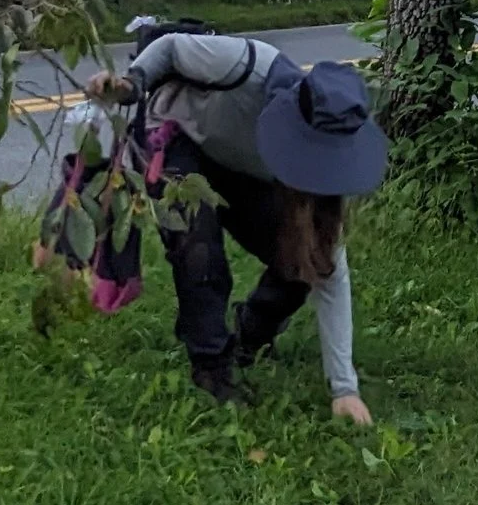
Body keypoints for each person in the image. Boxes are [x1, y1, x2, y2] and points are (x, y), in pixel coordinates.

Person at [119, 28, 385, 418]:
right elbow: (171, 48)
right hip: (177, 137)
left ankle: (252, 336)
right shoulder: (248, 66)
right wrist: (133, 81)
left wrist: (344, 388)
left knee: (303, 258)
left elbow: (330, 271)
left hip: (241, 166)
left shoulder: (314, 157)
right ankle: (211, 369)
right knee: (199, 247)